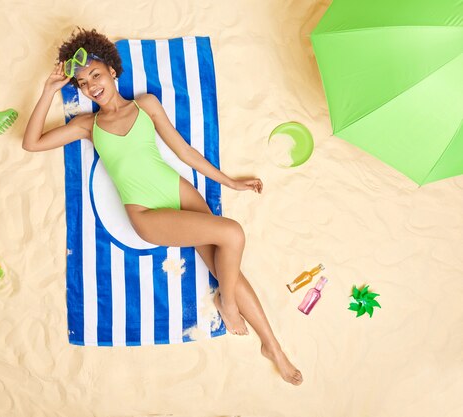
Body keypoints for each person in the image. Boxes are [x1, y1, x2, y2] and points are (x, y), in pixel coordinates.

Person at [23, 28, 303, 385]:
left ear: (112, 70)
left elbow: (184, 151)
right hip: (147, 215)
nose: (91, 85)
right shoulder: (87, 125)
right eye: (81, 82)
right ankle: (227, 304)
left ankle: (273, 347)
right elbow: (31, 143)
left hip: (178, 190)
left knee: (224, 264)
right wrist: (49, 90)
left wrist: (229, 181)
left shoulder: (146, 105)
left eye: (95, 74)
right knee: (232, 234)